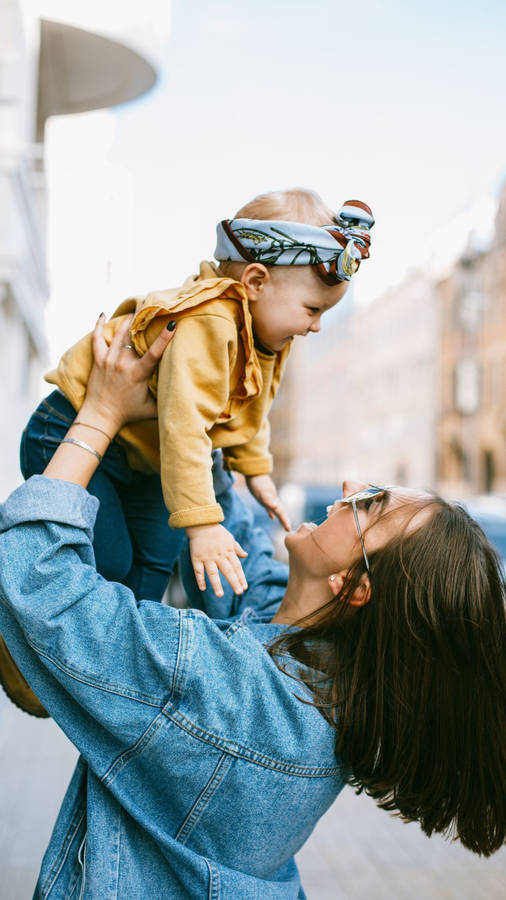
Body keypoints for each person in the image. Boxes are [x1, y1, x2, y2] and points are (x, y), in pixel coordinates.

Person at [0, 320, 504, 900]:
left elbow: (41, 582)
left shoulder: (233, 691)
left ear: (353, 585)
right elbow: (244, 556)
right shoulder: (324, 673)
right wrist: (200, 394)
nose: (348, 485)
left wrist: (102, 413)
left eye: (370, 505)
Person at [20, 189, 374, 604]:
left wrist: (255, 470)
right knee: (112, 560)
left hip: (147, 458)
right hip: (68, 430)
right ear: (255, 282)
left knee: (155, 555)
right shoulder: (209, 322)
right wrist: (203, 524)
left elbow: (252, 406)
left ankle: (128, 647)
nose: (315, 326)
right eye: (313, 309)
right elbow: (185, 427)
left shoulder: (263, 336)